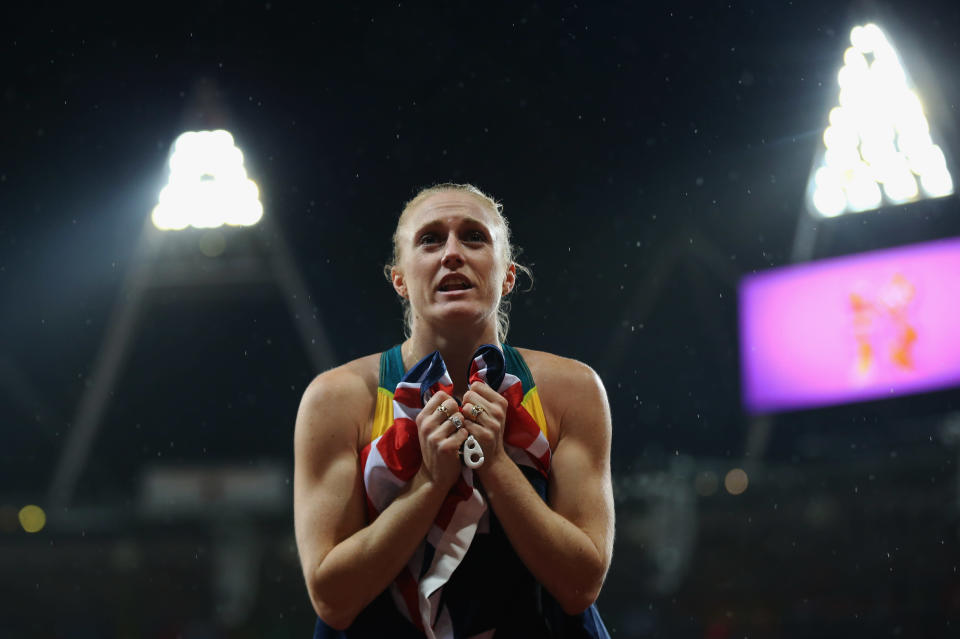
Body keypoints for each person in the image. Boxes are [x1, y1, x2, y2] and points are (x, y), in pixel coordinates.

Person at [293, 183, 614, 638]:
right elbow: (332, 600)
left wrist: (496, 463)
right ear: (399, 278)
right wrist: (430, 483)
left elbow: (581, 585)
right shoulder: (338, 398)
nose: (451, 253)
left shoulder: (572, 389)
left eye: (473, 237)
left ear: (508, 275)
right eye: (430, 239)